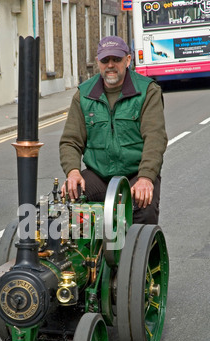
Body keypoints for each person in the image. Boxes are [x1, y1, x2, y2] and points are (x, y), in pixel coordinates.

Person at [59, 36, 168, 224]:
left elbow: (155, 138)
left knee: (143, 208)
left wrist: (146, 176)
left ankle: (139, 252)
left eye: (116, 59)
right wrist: (73, 172)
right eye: (105, 60)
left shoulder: (147, 91)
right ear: (98, 63)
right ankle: (88, 253)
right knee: (71, 201)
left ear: (127, 60)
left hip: (135, 174)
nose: (110, 65)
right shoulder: (83, 95)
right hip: (99, 175)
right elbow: (70, 141)